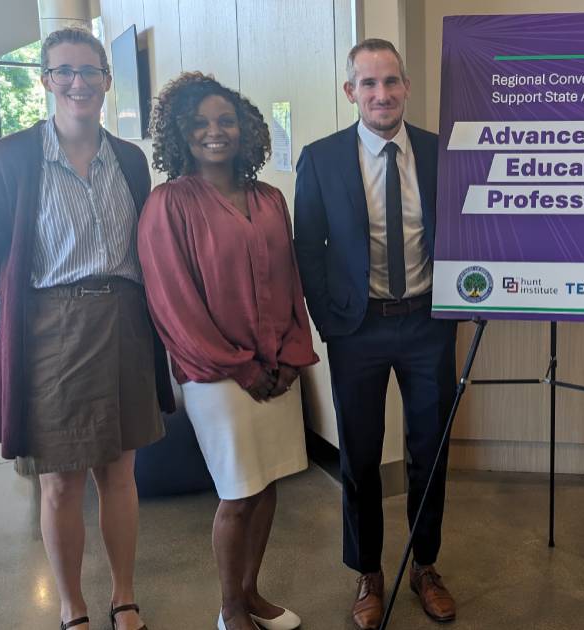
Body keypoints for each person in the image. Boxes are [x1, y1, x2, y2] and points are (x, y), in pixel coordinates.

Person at [0, 27, 173, 630]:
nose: (77, 82)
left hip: (126, 322)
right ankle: (72, 603)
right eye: (64, 71)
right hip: (52, 329)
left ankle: (124, 595)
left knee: (120, 473)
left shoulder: (130, 160)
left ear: (107, 80)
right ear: (46, 80)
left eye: (89, 71)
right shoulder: (12, 157)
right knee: (60, 480)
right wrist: (33, 308)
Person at [138, 72, 318, 630]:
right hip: (217, 375)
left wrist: (292, 354)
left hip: (276, 371)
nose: (215, 132)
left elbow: (290, 282)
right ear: (180, 135)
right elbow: (174, 303)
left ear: (246, 129)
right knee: (238, 494)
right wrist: (241, 365)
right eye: (200, 124)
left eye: (226, 121)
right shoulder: (168, 204)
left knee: (269, 489)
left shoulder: (269, 198)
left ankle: (253, 592)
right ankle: (230, 608)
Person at [293, 38, 458, 630]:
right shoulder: (322, 158)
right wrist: (328, 317)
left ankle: (425, 565)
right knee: (360, 457)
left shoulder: (441, 154)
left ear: (406, 87)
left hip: (427, 325)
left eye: (391, 82)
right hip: (356, 330)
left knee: (429, 453)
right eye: (368, 84)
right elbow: (307, 248)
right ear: (351, 92)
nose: (381, 94)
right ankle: (368, 571)